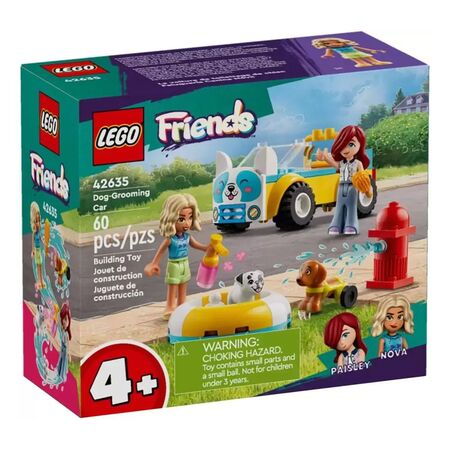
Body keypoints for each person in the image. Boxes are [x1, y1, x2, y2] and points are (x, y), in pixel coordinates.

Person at [144, 193, 212, 320]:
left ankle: (182, 305)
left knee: (183, 284)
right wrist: (154, 263)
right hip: (174, 265)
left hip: (185, 263)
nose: (187, 223)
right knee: (173, 286)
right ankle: (170, 307)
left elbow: (198, 246)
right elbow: (161, 251)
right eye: (181, 219)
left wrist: (207, 248)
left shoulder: (187, 237)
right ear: (171, 218)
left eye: (190, 218)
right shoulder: (170, 239)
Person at [316, 125, 372, 235]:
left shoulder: (358, 163)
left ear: (359, 145)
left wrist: (367, 189)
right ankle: (336, 224)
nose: (345, 149)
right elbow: (334, 164)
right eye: (342, 146)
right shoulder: (341, 163)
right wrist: (325, 157)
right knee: (340, 206)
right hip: (341, 186)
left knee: (351, 206)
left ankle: (351, 225)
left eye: (351, 144)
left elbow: (363, 176)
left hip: (352, 186)